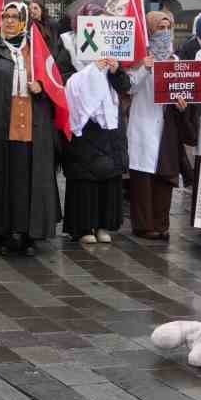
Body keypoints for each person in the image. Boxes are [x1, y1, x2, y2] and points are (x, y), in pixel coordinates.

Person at [0, 1, 57, 254]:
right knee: (3, 175)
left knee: (27, 178)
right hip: (1, 123)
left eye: (14, 16)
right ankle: (4, 232)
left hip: (31, 123)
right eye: (5, 16)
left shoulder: (36, 49)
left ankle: (28, 233)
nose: (8, 20)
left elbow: (52, 80)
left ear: (24, 20)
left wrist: (41, 85)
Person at [58, 32, 129, 246]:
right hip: (84, 122)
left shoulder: (112, 48)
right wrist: (92, 71)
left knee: (109, 174)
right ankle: (82, 226)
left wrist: (115, 70)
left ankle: (103, 225)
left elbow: (124, 86)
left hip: (109, 124)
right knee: (84, 176)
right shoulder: (69, 46)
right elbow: (63, 79)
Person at [130, 11, 197, 240]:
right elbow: (128, 89)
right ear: (150, 30)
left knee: (165, 176)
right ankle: (144, 224)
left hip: (167, 128)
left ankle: (161, 223)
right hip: (143, 124)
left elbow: (185, 91)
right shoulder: (140, 59)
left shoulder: (175, 62)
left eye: (168, 27)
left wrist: (182, 104)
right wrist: (144, 69)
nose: (165, 32)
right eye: (160, 27)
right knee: (144, 179)